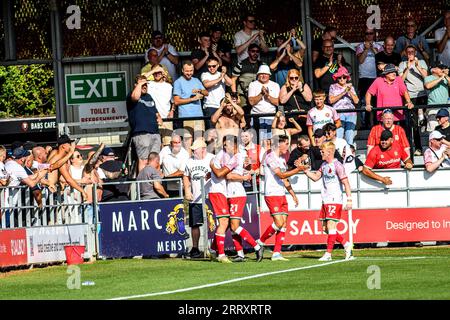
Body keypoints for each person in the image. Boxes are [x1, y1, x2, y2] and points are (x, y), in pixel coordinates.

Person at [256, 135, 308, 261]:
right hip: (272, 194)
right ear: (279, 144)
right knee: (278, 223)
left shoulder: (282, 159)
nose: (288, 146)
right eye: (286, 143)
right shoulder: (270, 157)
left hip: (281, 194)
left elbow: (285, 179)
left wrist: (293, 194)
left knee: (283, 224)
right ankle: (260, 242)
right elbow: (281, 174)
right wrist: (298, 169)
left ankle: (276, 253)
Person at [304, 141, 354, 261]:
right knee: (326, 228)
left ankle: (328, 254)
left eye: (322, 151)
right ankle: (347, 245)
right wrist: (305, 171)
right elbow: (316, 177)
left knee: (331, 226)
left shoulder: (337, 165)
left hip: (335, 199)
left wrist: (349, 199)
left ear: (330, 152)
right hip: (325, 199)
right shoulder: (324, 165)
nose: (320, 153)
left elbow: (346, 183)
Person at [223, 136, 264, 262]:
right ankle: (240, 253)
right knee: (232, 226)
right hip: (230, 193)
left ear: (234, 145)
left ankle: (257, 246)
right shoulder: (235, 157)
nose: (225, 147)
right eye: (224, 145)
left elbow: (229, 175)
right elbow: (247, 170)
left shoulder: (238, 157)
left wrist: (240, 176)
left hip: (237, 193)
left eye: (227, 145)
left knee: (234, 226)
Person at [208, 136, 242, 263]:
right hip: (218, 192)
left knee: (226, 223)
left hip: (221, 192)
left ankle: (213, 250)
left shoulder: (226, 157)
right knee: (223, 223)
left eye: (232, 145)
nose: (230, 147)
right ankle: (221, 255)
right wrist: (212, 167)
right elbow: (219, 174)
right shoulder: (221, 156)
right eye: (227, 144)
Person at [183, 139, 215, 259]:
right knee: (194, 224)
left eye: (194, 149)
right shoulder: (189, 161)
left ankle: (215, 247)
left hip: (210, 196)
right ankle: (195, 248)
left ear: (203, 149)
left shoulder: (212, 158)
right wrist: (187, 190)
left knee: (212, 223)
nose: (193, 151)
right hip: (195, 198)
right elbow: (186, 176)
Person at [127, 74, 163, 173]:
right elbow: (135, 97)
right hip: (141, 133)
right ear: (136, 85)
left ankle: (155, 183)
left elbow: (155, 111)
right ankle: (143, 185)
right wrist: (140, 84)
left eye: (146, 84)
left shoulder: (149, 96)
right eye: (142, 84)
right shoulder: (132, 95)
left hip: (154, 132)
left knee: (155, 160)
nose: (144, 86)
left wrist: (159, 118)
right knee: (144, 160)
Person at [398, 44, 428, 155]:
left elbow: (426, 76)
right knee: (414, 124)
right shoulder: (402, 64)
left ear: (415, 53)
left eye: (412, 52)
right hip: (410, 95)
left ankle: (422, 117)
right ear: (406, 53)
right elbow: (401, 81)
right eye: (408, 52)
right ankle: (418, 148)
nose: (410, 54)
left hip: (422, 93)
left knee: (424, 119)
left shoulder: (422, 62)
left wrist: (418, 66)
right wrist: (407, 67)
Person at [173, 61, 209, 139]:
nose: (189, 73)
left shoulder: (196, 80)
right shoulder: (178, 82)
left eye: (191, 71)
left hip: (199, 116)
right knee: (187, 143)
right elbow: (176, 101)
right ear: (182, 70)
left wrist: (199, 91)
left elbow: (206, 93)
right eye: (187, 71)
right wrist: (192, 99)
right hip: (186, 117)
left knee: (200, 142)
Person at [356, 27, 383, 129]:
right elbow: (361, 60)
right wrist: (366, 49)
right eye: (367, 33)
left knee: (376, 102)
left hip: (376, 77)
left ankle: (377, 124)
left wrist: (372, 48)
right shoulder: (360, 46)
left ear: (374, 35)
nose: (369, 35)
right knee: (364, 102)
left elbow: (381, 58)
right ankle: (365, 125)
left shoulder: (379, 46)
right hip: (364, 78)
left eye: (371, 33)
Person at [47, 135, 88, 202]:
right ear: (63, 146)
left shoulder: (54, 153)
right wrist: (82, 191)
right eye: (69, 144)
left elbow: (58, 176)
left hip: (48, 191)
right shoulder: (60, 160)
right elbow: (68, 179)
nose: (71, 147)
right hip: (49, 192)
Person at [248, 64, 280, 141]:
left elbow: (278, 102)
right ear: (258, 75)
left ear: (269, 75)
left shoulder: (275, 85)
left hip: (271, 117)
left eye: (266, 74)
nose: (264, 75)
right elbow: (251, 102)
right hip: (256, 117)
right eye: (261, 74)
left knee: (270, 141)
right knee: (256, 141)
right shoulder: (253, 84)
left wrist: (267, 96)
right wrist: (261, 94)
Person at [145, 64, 175, 147]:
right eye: (155, 72)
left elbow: (173, 101)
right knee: (155, 146)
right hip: (153, 120)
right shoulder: (148, 84)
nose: (157, 74)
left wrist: (172, 111)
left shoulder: (169, 86)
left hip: (167, 119)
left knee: (168, 146)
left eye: (159, 72)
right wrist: (153, 70)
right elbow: (140, 80)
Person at [328, 66, 359, 145]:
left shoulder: (351, 87)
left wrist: (349, 91)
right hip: (338, 113)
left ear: (347, 78)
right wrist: (343, 93)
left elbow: (356, 101)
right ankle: (339, 155)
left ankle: (350, 155)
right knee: (339, 136)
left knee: (350, 136)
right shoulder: (333, 86)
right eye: (339, 77)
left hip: (351, 113)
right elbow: (331, 100)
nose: (342, 79)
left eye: (344, 77)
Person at [231, 44, 264, 113]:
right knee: (243, 114)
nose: (255, 53)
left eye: (257, 51)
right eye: (253, 51)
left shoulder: (262, 65)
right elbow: (233, 79)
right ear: (248, 52)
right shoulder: (241, 64)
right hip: (243, 94)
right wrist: (234, 94)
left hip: (257, 94)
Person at [279, 68, 313, 136]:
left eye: (296, 77)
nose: (294, 79)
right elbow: (282, 101)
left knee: (306, 137)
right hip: (291, 118)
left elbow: (309, 99)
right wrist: (292, 90)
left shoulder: (304, 85)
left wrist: (301, 89)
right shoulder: (285, 87)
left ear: (299, 78)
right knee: (294, 140)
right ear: (288, 78)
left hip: (304, 116)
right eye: (291, 78)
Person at [201, 57, 232, 129]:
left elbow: (230, 83)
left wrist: (224, 74)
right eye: (209, 66)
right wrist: (220, 78)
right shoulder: (205, 74)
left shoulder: (221, 74)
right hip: (210, 106)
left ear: (218, 65)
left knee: (222, 129)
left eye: (214, 66)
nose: (211, 68)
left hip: (222, 106)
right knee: (211, 131)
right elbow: (207, 84)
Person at [424, 63, 450, 131]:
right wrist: (441, 78)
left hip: (446, 108)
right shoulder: (428, 78)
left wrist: (446, 76)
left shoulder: (446, 78)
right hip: (433, 109)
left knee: (447, 130)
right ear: (433, 70)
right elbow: (428, 86)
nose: (443, 70)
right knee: (433, 131)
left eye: (443, 68)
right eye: (440, 68)